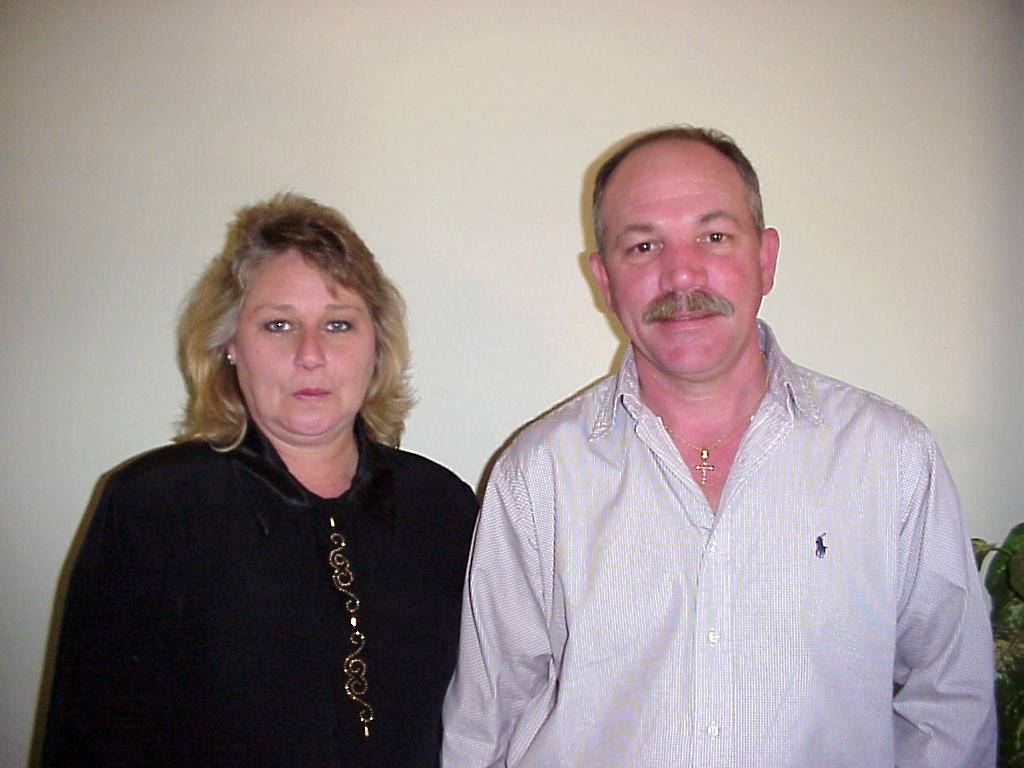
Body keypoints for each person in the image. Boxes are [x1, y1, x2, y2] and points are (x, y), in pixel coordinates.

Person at [442, 127, 996, 767]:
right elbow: (486, 726)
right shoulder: (537, 476)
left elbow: (951, 706)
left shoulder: (891, 458)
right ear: (604, 279)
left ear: (766, 259)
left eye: (714, 236)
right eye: (643, 245)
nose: (681, 273)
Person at [44, 193, 478, 767]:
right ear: (229, 345)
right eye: (278, 325)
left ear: (376, 345)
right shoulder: (152, 508)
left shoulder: (442, 507)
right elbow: (89, 739)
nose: (310, 354)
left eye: (338, 324)